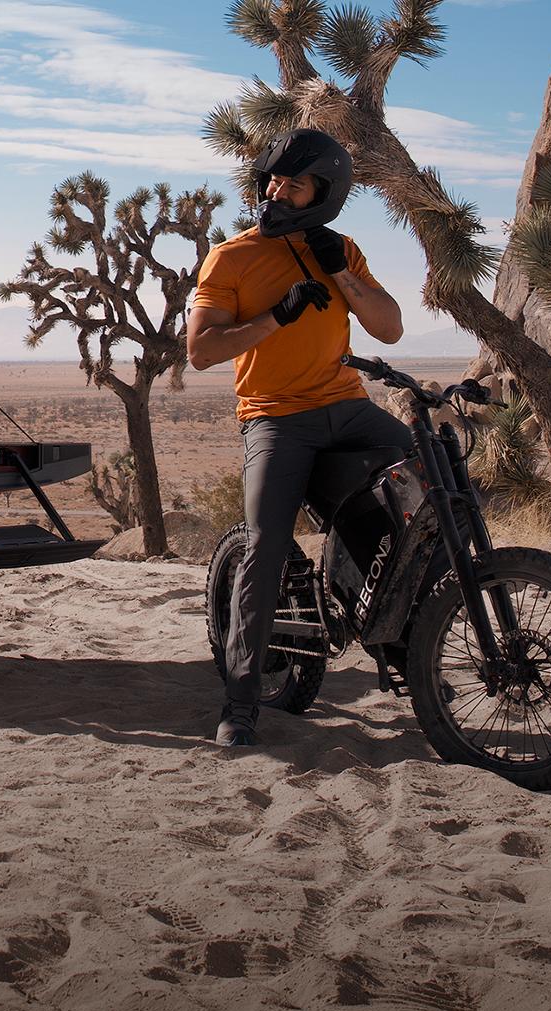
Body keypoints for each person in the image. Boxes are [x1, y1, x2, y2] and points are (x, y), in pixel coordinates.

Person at [186, 128, 409, 747]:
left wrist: (344, 276)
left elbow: (388, 329)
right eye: (274, 180)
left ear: (322, 195)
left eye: (295, 183)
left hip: (348, 407)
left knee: (428, 491)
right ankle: (240, 705)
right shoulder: (231, 258)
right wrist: (274, 317)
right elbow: (201, 351)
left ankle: (410, 647)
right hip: (275, 417)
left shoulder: (340, 249)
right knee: (264, 547)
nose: (278, 191)